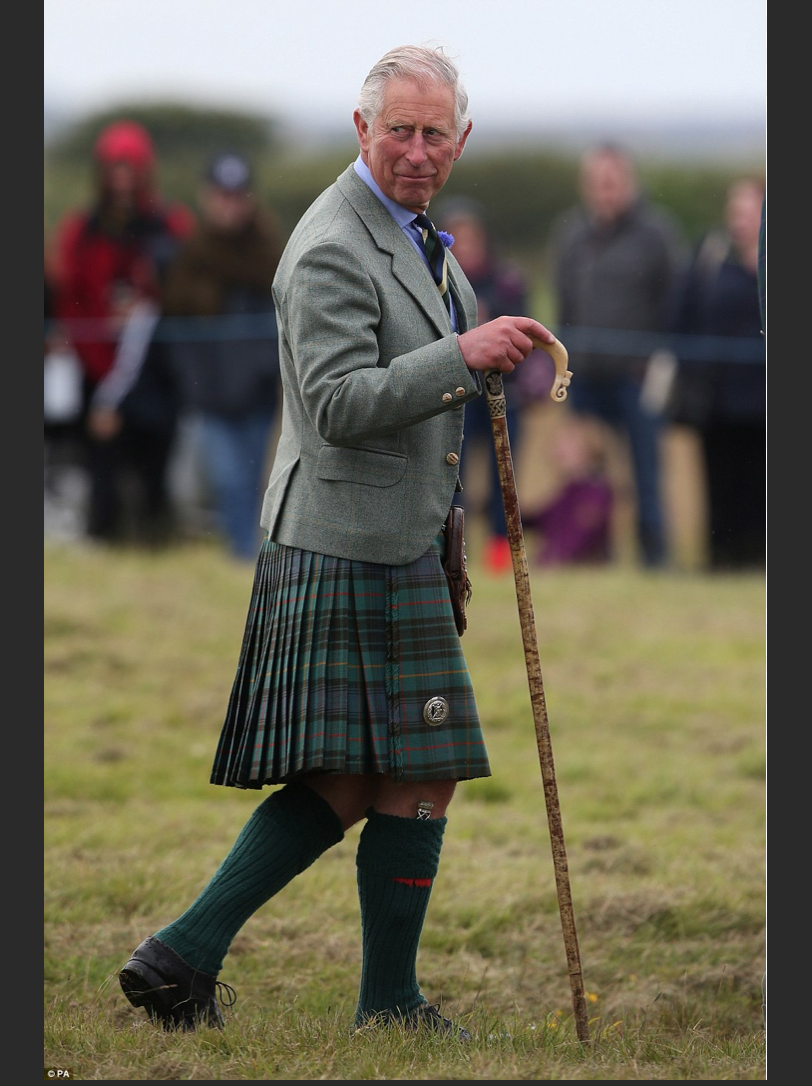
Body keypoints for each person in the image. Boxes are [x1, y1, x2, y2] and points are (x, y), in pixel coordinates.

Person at [118, 44, 556, 1041]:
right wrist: (460, 355)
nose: (413, 149)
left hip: (395, 539)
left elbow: (429, 360)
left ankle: (193, 961)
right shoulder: (328, 244)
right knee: (378, 775)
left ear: (460, 140)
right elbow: (332, 403)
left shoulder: (412, 231)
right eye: (395, 130)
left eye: (431, 132)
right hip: (340, 540)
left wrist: (483, 350)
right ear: (361, 130)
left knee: (388, 776)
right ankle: (350, 994)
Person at [47, 120, 194, 543]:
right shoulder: (81, 231)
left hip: (156, 377)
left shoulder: (171, 227)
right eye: (115, 169)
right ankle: (105, 545)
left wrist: (148, 304)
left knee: (156, 477)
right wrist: (99, 360)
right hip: (98, 372)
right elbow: (70, 302)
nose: (123, 181)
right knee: (102, 477)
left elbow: (184, 296)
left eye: (131, 169)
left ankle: (158, 546)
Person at [549, 142, 686, 568]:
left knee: (646, 473)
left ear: (629, 182)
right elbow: (563, 303)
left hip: (637, 377)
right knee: (583, 475)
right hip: (584, 376)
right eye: (597, 182)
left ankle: (655, 558)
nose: (605, 191)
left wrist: (654, 360)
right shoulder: (571, 235)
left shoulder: (658, 234)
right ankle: (589, 555)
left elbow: (674, 302)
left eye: (613, 182)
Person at [162, 152, 286, 562]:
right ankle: (241, 558)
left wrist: (262, 370)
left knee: (253, 482)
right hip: (208, 395)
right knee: (226, 480)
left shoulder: (273, 255)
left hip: (257, 393)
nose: (229, 205)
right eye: (221, 195)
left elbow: (285, 322)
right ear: (206, 197)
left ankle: (249, 561)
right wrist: (192, 382)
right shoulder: (190, 256)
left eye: (236, 195)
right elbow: (177, 327)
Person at [432, 196, 537, 574]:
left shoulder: (508, 281)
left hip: (502, 396)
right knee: (450, 478)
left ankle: (497, 555)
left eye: (474, 238)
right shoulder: (432, 281)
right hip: (452, 396)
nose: (469, 248)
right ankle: (451, 552)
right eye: (460, 240)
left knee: (502, 478)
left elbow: (529, 334)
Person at [667, 176, 766, 571]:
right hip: (718, 401)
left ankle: (761, 560)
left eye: (749, 210)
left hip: (764, 403)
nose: (739, 219)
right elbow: (682, 318)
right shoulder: (709, 258)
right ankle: (721, 560)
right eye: (735, 210)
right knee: (720, 484)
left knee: (761, 486)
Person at [524, 415, 613, 567]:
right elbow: (543, 518)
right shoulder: (571, 489)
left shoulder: (593, 494)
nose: (557, 446)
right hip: (556, 569)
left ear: (586, 451)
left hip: (584, 574)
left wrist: (542, 564)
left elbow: (572, 541)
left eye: (567, 441)